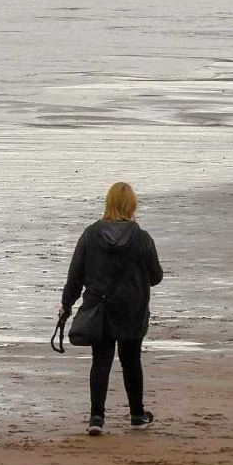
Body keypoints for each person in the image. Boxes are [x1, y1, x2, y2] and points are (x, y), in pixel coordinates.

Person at [59, 181, 164, 436]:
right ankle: (137, 414)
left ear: (108, 203)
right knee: (131, 361)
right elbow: (155, 276)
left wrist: (66, 305)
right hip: (132, 308)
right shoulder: (142, 238)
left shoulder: (91, 234)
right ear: (131, 205)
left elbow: (76, 274)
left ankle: (96, 417)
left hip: (99, 307)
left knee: (101, 361)